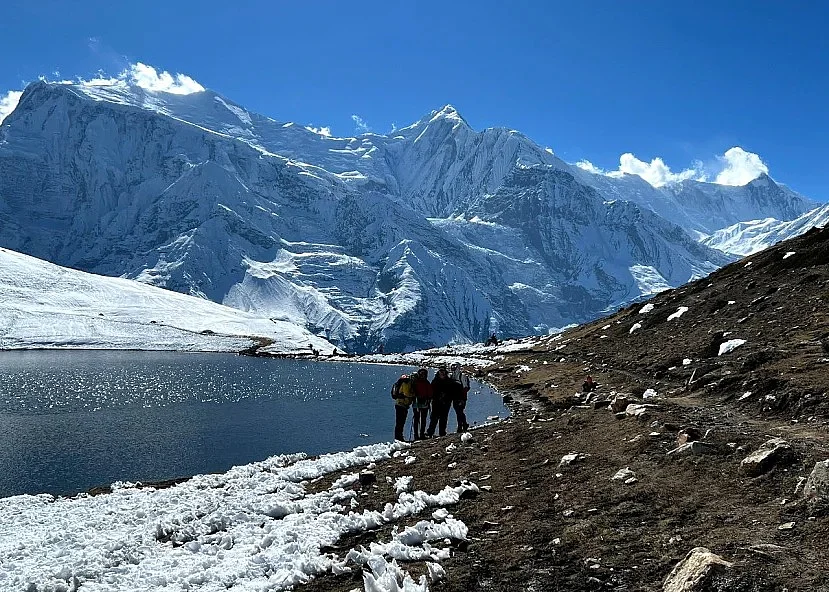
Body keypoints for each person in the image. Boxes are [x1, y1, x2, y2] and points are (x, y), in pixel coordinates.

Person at [427, 366, 461, 437]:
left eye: (443, 371)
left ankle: (442, 433)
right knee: (434, 418)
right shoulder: (435, 381)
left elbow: (453, 391)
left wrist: (447, 396)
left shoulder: (449, 381)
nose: (442, 373)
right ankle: (430, 432)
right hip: (436, 402)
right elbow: (431, 391)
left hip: (446, 402)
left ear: (445, 372)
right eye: (441, 371)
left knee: (443, 418)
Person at [391, 372, 416, 441]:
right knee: (400, 422)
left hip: (400, 404)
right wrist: (414, 395)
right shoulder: (407, 383)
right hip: (402, 404)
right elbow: (407, 393)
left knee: (399, 422)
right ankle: (399, 438)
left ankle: (398, 437)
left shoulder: (403, 382)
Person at [410, 368, 433, 440]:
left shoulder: (417, 382)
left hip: (419, 403)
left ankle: (418, 435)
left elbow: (430, 393)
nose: (423, 375)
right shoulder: (426, 382)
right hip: (421, 403)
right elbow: (430, 393)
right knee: (420, 419)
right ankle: (419, 435)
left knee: (419, 419)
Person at [450, 363, 470, 432]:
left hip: (461, 398)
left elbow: (465, 388)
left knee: (459, 411)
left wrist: (463, 399)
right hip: (455, 398)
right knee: (458, 412)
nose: (453, 368)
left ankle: (461, 426)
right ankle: (463, 425)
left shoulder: (462, 376)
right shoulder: (452, 376)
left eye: (454, 367)